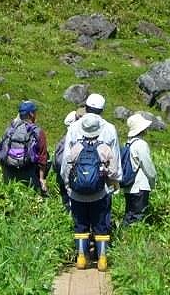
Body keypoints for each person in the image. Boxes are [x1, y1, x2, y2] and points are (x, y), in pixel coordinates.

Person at [63, 114, 119, 272]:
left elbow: (66, 170)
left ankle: (81, 258)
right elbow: (114, 172)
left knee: (80, 225)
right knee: (101, 226)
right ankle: (102, 260)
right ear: (98, 131)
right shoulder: (104, 148)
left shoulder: (76, 148)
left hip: (77, 195)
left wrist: (69, 187)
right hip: (99, 195)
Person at [61, 93, 122, 185]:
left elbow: (67, 157)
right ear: (102, 110)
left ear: (86, 107)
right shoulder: (110, 128)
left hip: (77, 184)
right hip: (102, 186)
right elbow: (115, 158)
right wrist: (115, 181)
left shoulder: (73, 127)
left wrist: (67, 182)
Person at [0, 100, 49, 195]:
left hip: (9, 172)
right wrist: (42, 179)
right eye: (35, 112)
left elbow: (1, 150)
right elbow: (42, 157)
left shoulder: (10, 129)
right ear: (31, 114)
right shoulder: (37, 132)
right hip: (28, 172)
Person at [123, 114, 156, 226]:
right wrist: (153, 182)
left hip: (129, 187)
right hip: (140, 186)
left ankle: (124, 238)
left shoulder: (128, 143)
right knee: (138, 217)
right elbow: (148, 166)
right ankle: (133, 240)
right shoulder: (141, 144)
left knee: (129, 215)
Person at [53, 108, 85, 212]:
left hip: (62, 179)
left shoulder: (62, 141)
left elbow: (56, 162)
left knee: (66, 204)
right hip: (74, 180)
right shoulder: (76, 141)